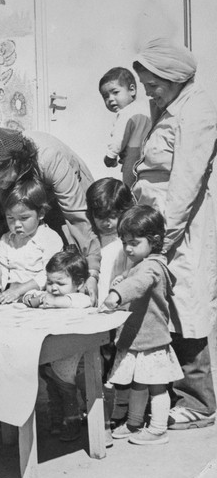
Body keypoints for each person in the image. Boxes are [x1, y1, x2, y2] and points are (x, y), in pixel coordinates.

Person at [132, 38, 217, 430]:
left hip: (180, 222)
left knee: (186, 302)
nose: (148, 91)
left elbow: (186, 181)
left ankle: (200, 402)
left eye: (153, 84)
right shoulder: (171, 105)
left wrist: (165, 238)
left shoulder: (196, 109)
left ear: (172, 77)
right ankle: (175, 391)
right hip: (161, 218)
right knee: (171, 302)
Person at [0, 125, 100, 303]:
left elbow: (78, 219)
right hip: (27, 210)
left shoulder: (49, 157)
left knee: (72, 259)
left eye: (1, 179)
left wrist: (92, 273)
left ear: (16, 163)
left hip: (65, 202)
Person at [101, 205, 183, 445]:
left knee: (156, 387)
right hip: (138, 339)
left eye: (134, 242)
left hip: (151, 340)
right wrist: (122, 279)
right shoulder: (142, 262)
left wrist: (117, 293)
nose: (127, 248)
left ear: (154, 240)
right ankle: (135, 423)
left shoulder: (152, 266)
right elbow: (134, 280)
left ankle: (158, 429)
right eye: (124, 241)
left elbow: (140, 283)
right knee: (139, 385)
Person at [23, 247, 92, 441]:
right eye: (50, 282)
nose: (53, 288)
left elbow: (70, 302)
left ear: (78, 283)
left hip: (72, 359)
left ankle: (73, 424)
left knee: (68, 393)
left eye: (60, 283)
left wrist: (51, 299)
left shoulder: (80, 298)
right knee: (52, 390)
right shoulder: (50, 296)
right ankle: (56, 420)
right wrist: (32, 298)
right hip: (50, 356)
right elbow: (29, 297)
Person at [86, 178, 136, 427]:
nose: (107, 222)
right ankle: (103, 410)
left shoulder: (125, 244)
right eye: (101, 215)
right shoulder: (91, 240)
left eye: (114, 215)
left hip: (118, 311)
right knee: (102, 359)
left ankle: (122, 410)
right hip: (98, 311)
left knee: (120, 359)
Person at [0, 178, 63, 306]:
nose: (17, 224)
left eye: (24, 218)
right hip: (11, 295)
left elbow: (48, 274)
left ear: (41, 213)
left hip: (38, 292)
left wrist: (18, 291)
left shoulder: (50, 238)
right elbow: (2, 269)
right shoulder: (6, 239)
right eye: (11, 218)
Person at [98, 67, 152, 187]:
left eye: (115, 92)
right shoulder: (144, 108)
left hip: (133, 157)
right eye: (105, 96)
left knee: (129, 189)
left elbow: (119, 136)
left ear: (132, 90)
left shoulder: (125, 113)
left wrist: (110, 156)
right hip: (148, 158)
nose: (110, 99)